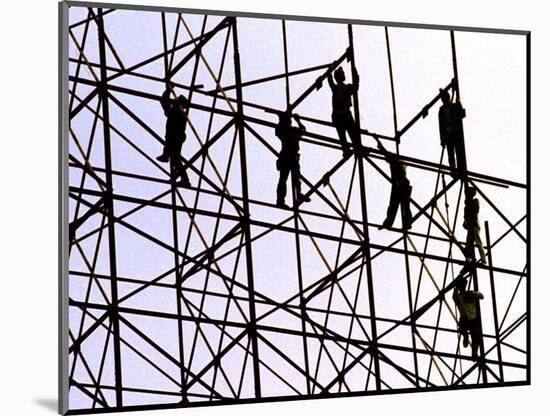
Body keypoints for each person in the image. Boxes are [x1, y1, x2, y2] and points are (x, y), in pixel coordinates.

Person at [156, 84, 191, 187]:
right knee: (175, 156)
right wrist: (168, 90)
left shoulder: (176, 112)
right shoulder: (178, 112)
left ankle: (185, 180)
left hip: (176, 136)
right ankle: (166, 155)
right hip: (176, 136)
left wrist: (168, 91)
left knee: (175, 157)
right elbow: (164, 102)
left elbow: (164, 101)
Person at [321, 65, 360, 155]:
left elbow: (356, 86)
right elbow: (329, 78)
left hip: (342, 115)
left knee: (351, 136)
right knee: (347, 136)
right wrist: (354, 71)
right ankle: (348, 149)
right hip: (340, 115)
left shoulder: (344, 88)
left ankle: (350, 149)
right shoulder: (339, 88)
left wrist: (354, 70)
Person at [275, 112, 310, 208]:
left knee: (286, 179)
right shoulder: (291, 130)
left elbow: (278, 131)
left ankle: (281, 200)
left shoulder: (282, 130)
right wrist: (298, 120)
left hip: (286, 156)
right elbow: (303, 131)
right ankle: (297, 195)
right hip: (290, 156)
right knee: (293, 178)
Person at [377, 140, 412, 230]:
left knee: (396, 206)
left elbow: (385, 153)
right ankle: (406, 223)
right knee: (404, 206)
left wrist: (379, 144)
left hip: (400, 185)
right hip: (402, 184)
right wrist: (379, 144)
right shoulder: (400, 163)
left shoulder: (395, 162)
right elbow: (385, 153)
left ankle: (389, 223)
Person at [452, 276, 484, 360]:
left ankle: (474, 353)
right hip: (466, 319)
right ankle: (465, 337)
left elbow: (481, 296)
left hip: (472, 319)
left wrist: (474, 294)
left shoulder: (469, 294)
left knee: (475, 337)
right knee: (463, 328)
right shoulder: (459, 297)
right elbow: (454, 296)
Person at [438, 87, 467, 179]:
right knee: (451, 155)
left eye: (444, 98)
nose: (443, 100)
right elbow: (441, 127)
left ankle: (460, 171)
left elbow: (462, 114)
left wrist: (459, 104)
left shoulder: (454, 106)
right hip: (448, 135)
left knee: (459, 153)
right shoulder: (441, 111)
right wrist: (442, 140)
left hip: (456, 133)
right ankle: (454, 172)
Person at [463, 186, 486, 263]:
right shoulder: (466, 207)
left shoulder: (475, 201)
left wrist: (469, 205)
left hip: (474, 225)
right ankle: (468, 259)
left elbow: (476, 210)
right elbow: (465, 218)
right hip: (470, 226)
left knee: (478, 242)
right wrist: (465, 223)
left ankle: (483, 259)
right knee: (468, 243)